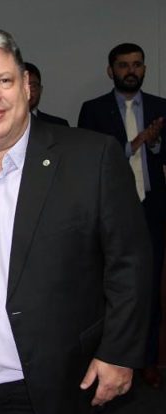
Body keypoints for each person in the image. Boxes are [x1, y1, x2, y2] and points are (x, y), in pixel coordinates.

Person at [0, 27, 151, 414]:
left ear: (26, 85)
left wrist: (120, 352)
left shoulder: (91, 157)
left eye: (3, 80)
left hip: (60, 388)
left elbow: (130, 263)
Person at [78, 43, 166, 389]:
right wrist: (137, 142)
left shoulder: (161, 108)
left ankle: (147, 359)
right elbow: (89, 160)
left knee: (149, 286)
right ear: (110, 70)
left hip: (152, 208)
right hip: (110, 211)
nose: (131, 70)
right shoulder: (93, 110)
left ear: (144, 68)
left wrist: (154, 143)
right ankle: (108, 355)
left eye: (137, 64)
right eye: (124, 65)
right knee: (108, 287)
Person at [24, 61, 69, 126]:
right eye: (22, 85)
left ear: (40, 90)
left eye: (33, 86)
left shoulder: (60, 126)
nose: (28, 91)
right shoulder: (7, 124)